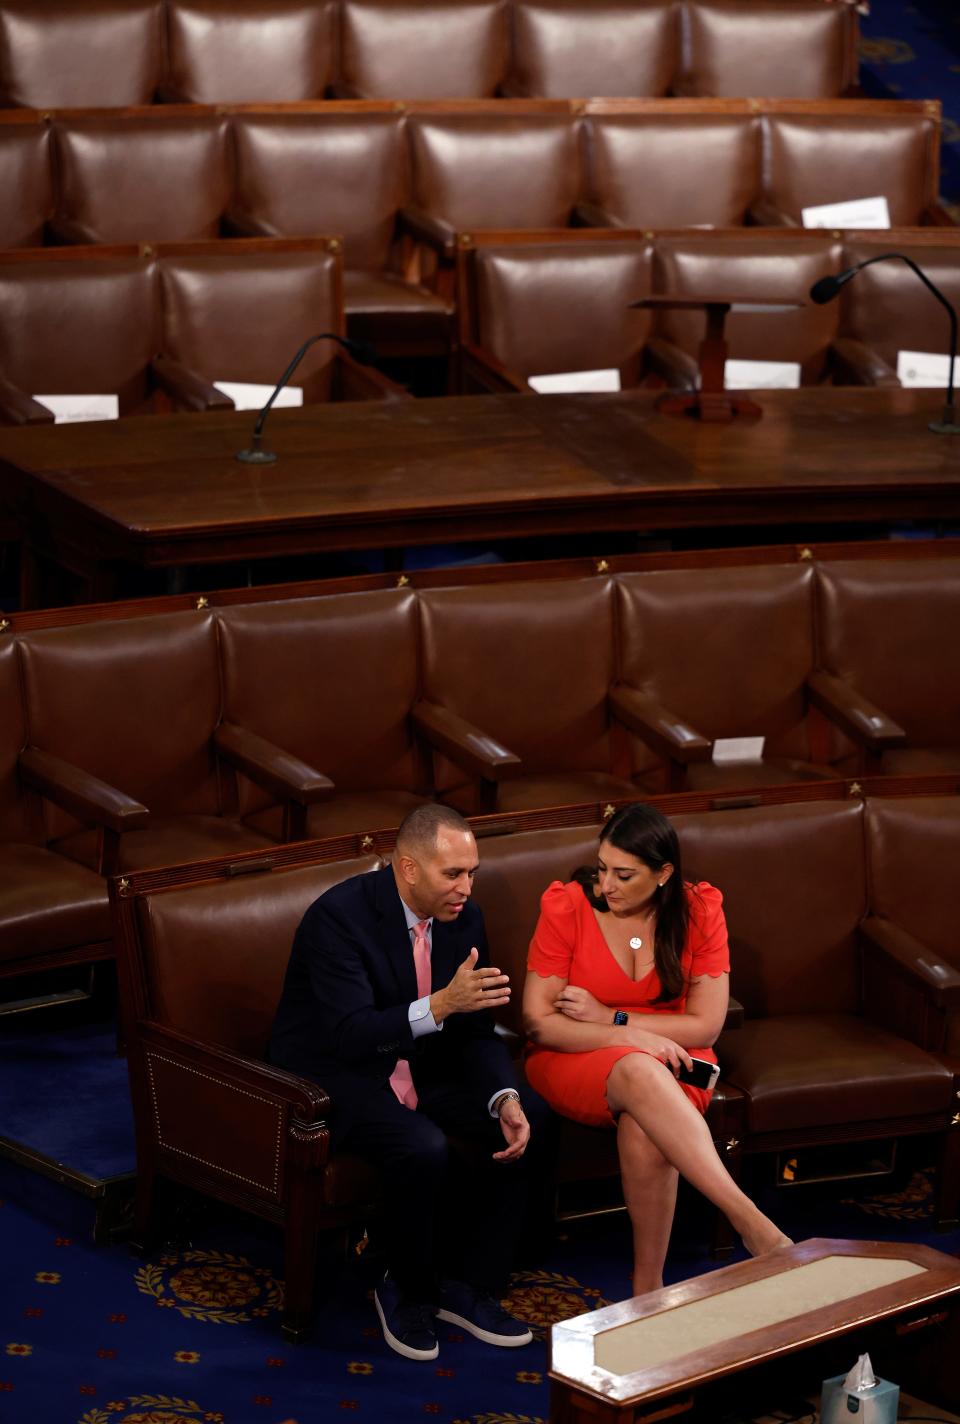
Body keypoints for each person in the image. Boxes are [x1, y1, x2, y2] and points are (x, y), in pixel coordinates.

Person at [270, 803, 550, 1362]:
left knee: (529, 1115)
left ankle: (470, 1285)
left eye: (472, 872)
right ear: (408, 868)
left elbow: (473, 1029)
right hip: (336, 1077)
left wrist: (505, 1095)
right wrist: (440, 1004)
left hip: (422, 1065)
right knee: (419, 1145)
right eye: (453, 874)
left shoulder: (463, 917)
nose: (466, 887)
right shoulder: (338, 919)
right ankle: (405, 1287)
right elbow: (350, 1035)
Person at [522, 803, 791, 1297]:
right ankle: (750, 1221)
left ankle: (648, 1287)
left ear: (664, 873)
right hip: (573, 1057)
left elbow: (706, 1025)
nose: (607, 886)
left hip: (680, 1057)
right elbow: (540, 1023)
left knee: (646, 1122)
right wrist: (633, 1038)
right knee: (640, 1070)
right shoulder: (568, 905)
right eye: (602, 869)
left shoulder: (699, 909)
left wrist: (614, 1018)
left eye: (624, 875)